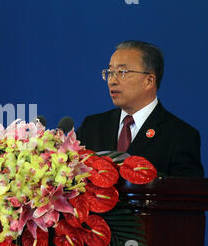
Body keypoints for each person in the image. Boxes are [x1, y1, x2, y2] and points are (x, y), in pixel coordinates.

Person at [76, 40, 204, 177]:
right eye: (110, 72)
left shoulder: (180, 136)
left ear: (149, 81)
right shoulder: (91, 127)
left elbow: (185, 193)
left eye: (122, 72)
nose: (112, 81)